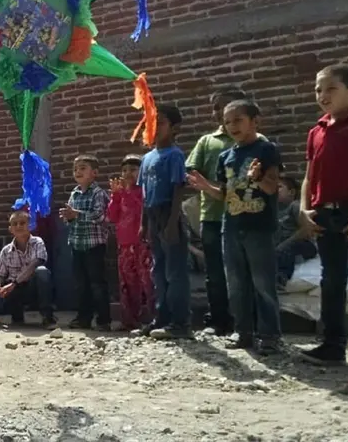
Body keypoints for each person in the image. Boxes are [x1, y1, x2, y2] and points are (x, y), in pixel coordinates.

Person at [297, 64, 348, 376]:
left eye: (330, 88)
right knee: (332, 282)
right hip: (324, 215)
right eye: (318, 89)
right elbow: (308, 177)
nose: (322, 95)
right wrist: (303, 210)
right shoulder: (316, 131)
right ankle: (332, 346)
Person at [189, 99, 284, 354]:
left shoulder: (267, 150)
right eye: (227, 121)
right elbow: (225, 193)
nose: (232, 126)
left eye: (238, 120)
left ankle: (270, 336)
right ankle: (243, 333)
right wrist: (206, 187)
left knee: (263, 284)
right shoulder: (226, 156)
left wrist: (257, 177)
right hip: (230, 226)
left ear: (255, 121)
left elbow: (271, 188)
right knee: (236, 283)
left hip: (259, 227)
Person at [186, 87, 264, 336]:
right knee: (215, 273)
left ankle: (251, 324)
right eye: (216, 107)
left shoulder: (256, 142)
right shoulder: (207, 141)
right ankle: (219, 321)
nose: (219, 112)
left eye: (225, 106)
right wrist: (205, 185)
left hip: (245, 214)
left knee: (246, 271)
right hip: (212, 215)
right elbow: (191, 170)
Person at [137, 104, 193, 340]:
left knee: (175, 272)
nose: (155, 126)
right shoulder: (147, 157)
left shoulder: (175, 155)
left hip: (168, 214)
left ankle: (180, 323)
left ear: (174, 128)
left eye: (160, 122)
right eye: (150, 121)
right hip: (152, 215)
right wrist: (143, 222)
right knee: (158, 270)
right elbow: (144, 193)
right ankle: (162, 317)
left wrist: (172, 223)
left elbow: (178, 189)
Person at [60, 155, 111, 331]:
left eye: (83, 168)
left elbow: (101, 216)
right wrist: (68, 217)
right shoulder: (74, 193)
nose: (78, 171)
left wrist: (77, 214)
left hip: (94, 245)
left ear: (94, 173)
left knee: (97, 283)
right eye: (75, 169)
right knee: (81, 284)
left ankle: (104, 320)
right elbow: (71, 218)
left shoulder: (99, 193)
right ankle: (84, 318)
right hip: (77, 244)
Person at [0, 210, 57, 328]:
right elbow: (1, 275)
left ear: (30, 226)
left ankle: (48, 317)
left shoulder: (38, 242)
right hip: (13, 291)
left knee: (42, 271)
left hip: (32, 288)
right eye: (15, 224)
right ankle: (16, 317)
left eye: (22, 223)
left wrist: (14, 284)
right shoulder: (6, 250)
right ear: (10, 229)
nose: (18, 226)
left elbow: (35, 265)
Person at [107, 155, 155, 331]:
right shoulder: (120, 194)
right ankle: (129, 319)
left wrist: (127, 193)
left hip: (143, 244)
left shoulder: (144, 191)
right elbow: (112, 216)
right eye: (125, 170)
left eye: (133, 170)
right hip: (125, 245)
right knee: (127, 283)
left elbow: (144, 209)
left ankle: (153, 319)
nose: (128, 174)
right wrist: (116, 196)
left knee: (148, 281)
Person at [275, 176, 316, 288]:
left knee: (287, 249)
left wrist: (285, 244)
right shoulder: (274, 209)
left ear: (291, 192)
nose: (275, 189)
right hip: (282, 244)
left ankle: (282, 277)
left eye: (279, 187)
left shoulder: (295, 206)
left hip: (304, 244)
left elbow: (306, 230)